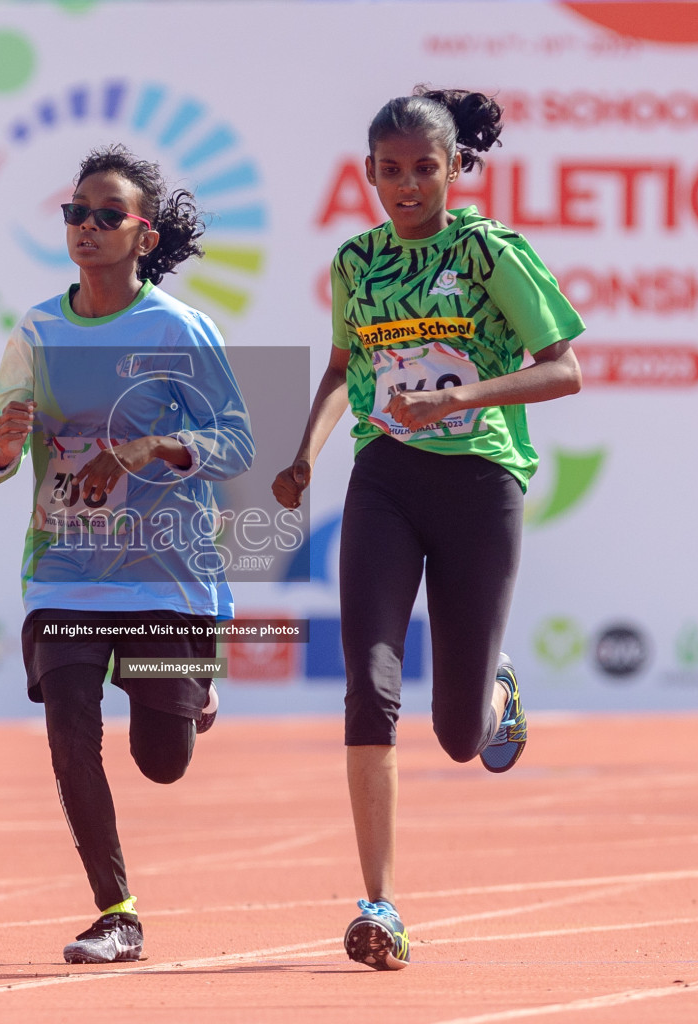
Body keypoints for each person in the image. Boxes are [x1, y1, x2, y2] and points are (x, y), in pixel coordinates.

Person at [272, 87, 584, 971]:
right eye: (390, 171)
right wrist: (306, 457)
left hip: (480, 480)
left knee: (454, 735)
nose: (407, 186)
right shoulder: (355, 262)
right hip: (385, 480)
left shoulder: (487, 251)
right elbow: (344, 370)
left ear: (454, 169)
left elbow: (563, 371)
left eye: (424, 168)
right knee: (369, 686)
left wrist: (462, 396)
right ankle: (380, 903)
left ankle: (495, 694)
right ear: (367, 174)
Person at [0, 145, 253, 965]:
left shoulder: (180, 329)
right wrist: (3, 443)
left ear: (143, 236)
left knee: (162, 762)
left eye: (106, 216)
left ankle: (187, 696)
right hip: (66, 574)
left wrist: (149, 448)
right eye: (74, 213)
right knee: (69, 733)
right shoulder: (39, 328)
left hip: (165, 578)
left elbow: (235, 443)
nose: (86, 228)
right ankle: (116, 910)